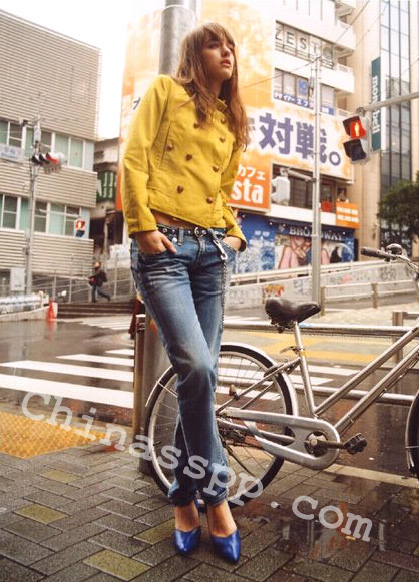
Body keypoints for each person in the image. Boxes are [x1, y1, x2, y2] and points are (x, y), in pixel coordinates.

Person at [122, 22, 249, 563]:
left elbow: (223, 191)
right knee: (197, 367)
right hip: (165, 249)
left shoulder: (231, 119)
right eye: (216, 44)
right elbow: (134, 157)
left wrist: (235, 236)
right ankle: (215, 498)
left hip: (211, 251)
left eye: (232, 45)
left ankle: (181, 495)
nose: (228, 52)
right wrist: (142, 227)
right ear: (196, 54)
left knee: (201, 379)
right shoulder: (164, 92)